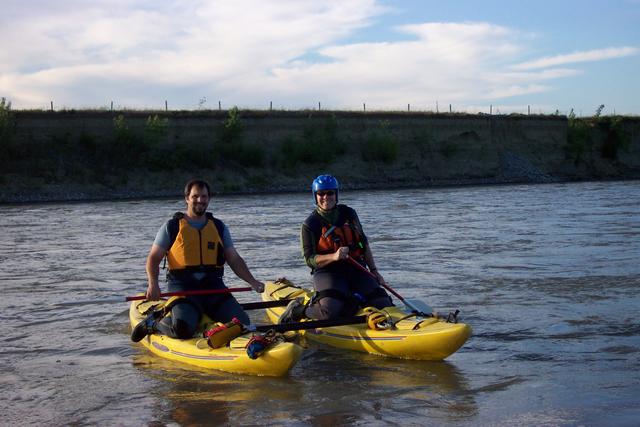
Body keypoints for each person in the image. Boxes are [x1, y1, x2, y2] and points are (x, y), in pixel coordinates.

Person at [131, 179, 265, 342]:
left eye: (204, 196)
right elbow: (153, 258)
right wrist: (153, 284)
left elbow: (234, 258)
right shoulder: (172, 227)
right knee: (182, 329)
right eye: (195, 196)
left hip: (213, 288)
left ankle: (210, 325)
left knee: (242, 323)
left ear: (209, 198)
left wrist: (252, 281)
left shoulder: (218, 227)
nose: (200, 200)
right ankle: (154, 323)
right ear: (187, 198)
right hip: (183, 290)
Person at [279, 174, 393, 323]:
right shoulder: (310, 224)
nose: (326, 197)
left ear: (336, 194)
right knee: (328, 313)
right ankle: (298, 310)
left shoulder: (349, 214)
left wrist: (374, 271)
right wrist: (333, 256)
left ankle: (354, 302)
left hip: (356, 267)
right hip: (328, 272)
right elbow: (310, 260)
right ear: (315, 196)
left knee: (383, 302)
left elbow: (363, 244)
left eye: (330, 193)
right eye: (321, 194)